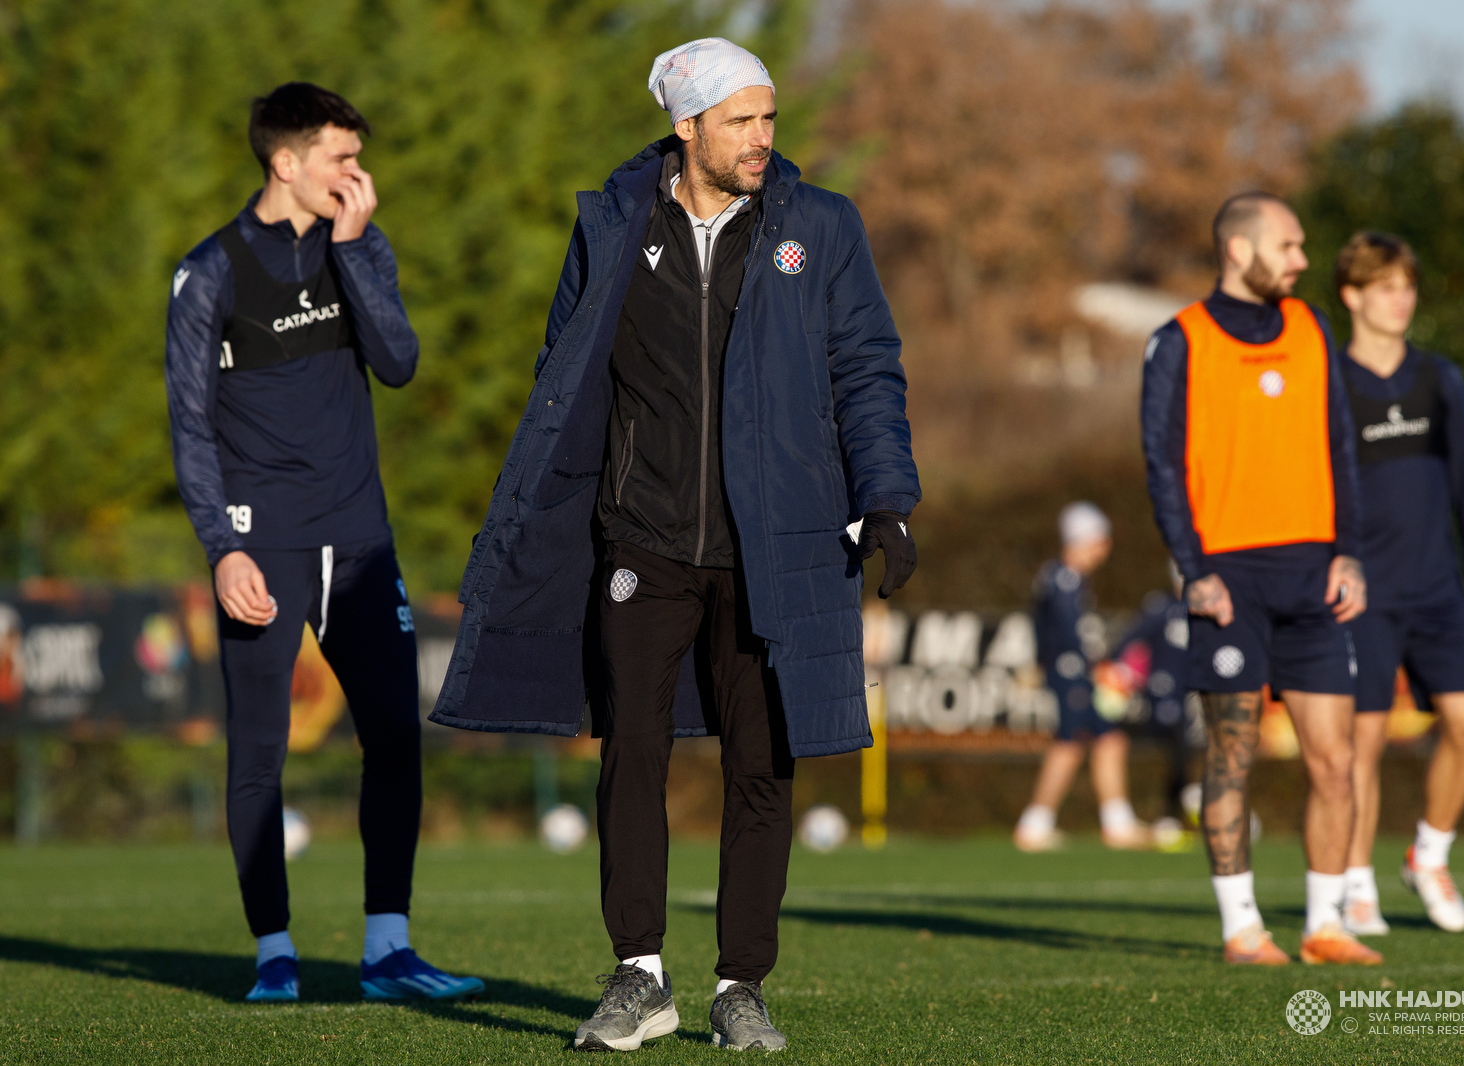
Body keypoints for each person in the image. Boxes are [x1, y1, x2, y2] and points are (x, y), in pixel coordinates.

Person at [426, 38, 919, 1052]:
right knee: (631, 753)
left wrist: (887, 501)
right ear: (686, 126)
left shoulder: (819, 226)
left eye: (768, 119)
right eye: (739, 120)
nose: (760, 139)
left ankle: (741, 984)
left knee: (760, 768)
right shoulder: (612, 222)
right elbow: (559, 377)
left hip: (776, 543)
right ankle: (637, 976)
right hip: (639, 537)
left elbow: (867, 371)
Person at [164, 83, 482, 1003]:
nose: (357, 174)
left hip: (361, 540)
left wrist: (352, 254)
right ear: (285, 162)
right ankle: (275, 954)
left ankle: (389, 951)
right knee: (258, 750)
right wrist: (223, 547)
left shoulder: (360, 244)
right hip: (264, 548)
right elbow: (189, 424)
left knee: (394, 736)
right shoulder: (210, 271)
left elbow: (398, 361)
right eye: (341, 158)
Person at [1141, 191, 1382, 966]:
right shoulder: (1180, 340)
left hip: (1314, 574)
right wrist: (1194, 569)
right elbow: (1163, 466)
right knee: (1231, 757)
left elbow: (1341, 444)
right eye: (1290, 245)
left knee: (1336, 761)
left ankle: (1326, 924)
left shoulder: (1312, 326)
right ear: (1241, 250)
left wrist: (1347, 551)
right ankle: (1243, 928)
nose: (1303, 260)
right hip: (1229, 582)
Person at [1333, 232, 1464, 936]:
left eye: (1407, 286)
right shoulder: (1331, 383)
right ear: (1353, 296)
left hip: (1440, 596)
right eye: (1386, 287)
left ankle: (1427, 855)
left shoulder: (1440, 380)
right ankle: (1356, 881)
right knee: (1362, 742)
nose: (1402, 299)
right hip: (1366, 600)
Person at [1014, 503, 1151, 851]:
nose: (1104, 551)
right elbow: (1066, 634)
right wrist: (1097, 666)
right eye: (1100, 542)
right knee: (1069, 743)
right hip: (1071, 674)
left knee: (1109, 740)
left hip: (1077, 673)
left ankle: (1116, 823)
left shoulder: (1067, 578)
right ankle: (1034, 825)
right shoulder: (1062, 578)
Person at [1096, 567, 1200, 852]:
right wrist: (1122, 674)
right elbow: (1128, 642)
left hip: (1187, 696)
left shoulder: (1203, 609)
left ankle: (1175, 813)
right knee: (1178, 745)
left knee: (1187, 750)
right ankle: (1181, 806)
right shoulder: (1162, 607)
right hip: (1160, 695)